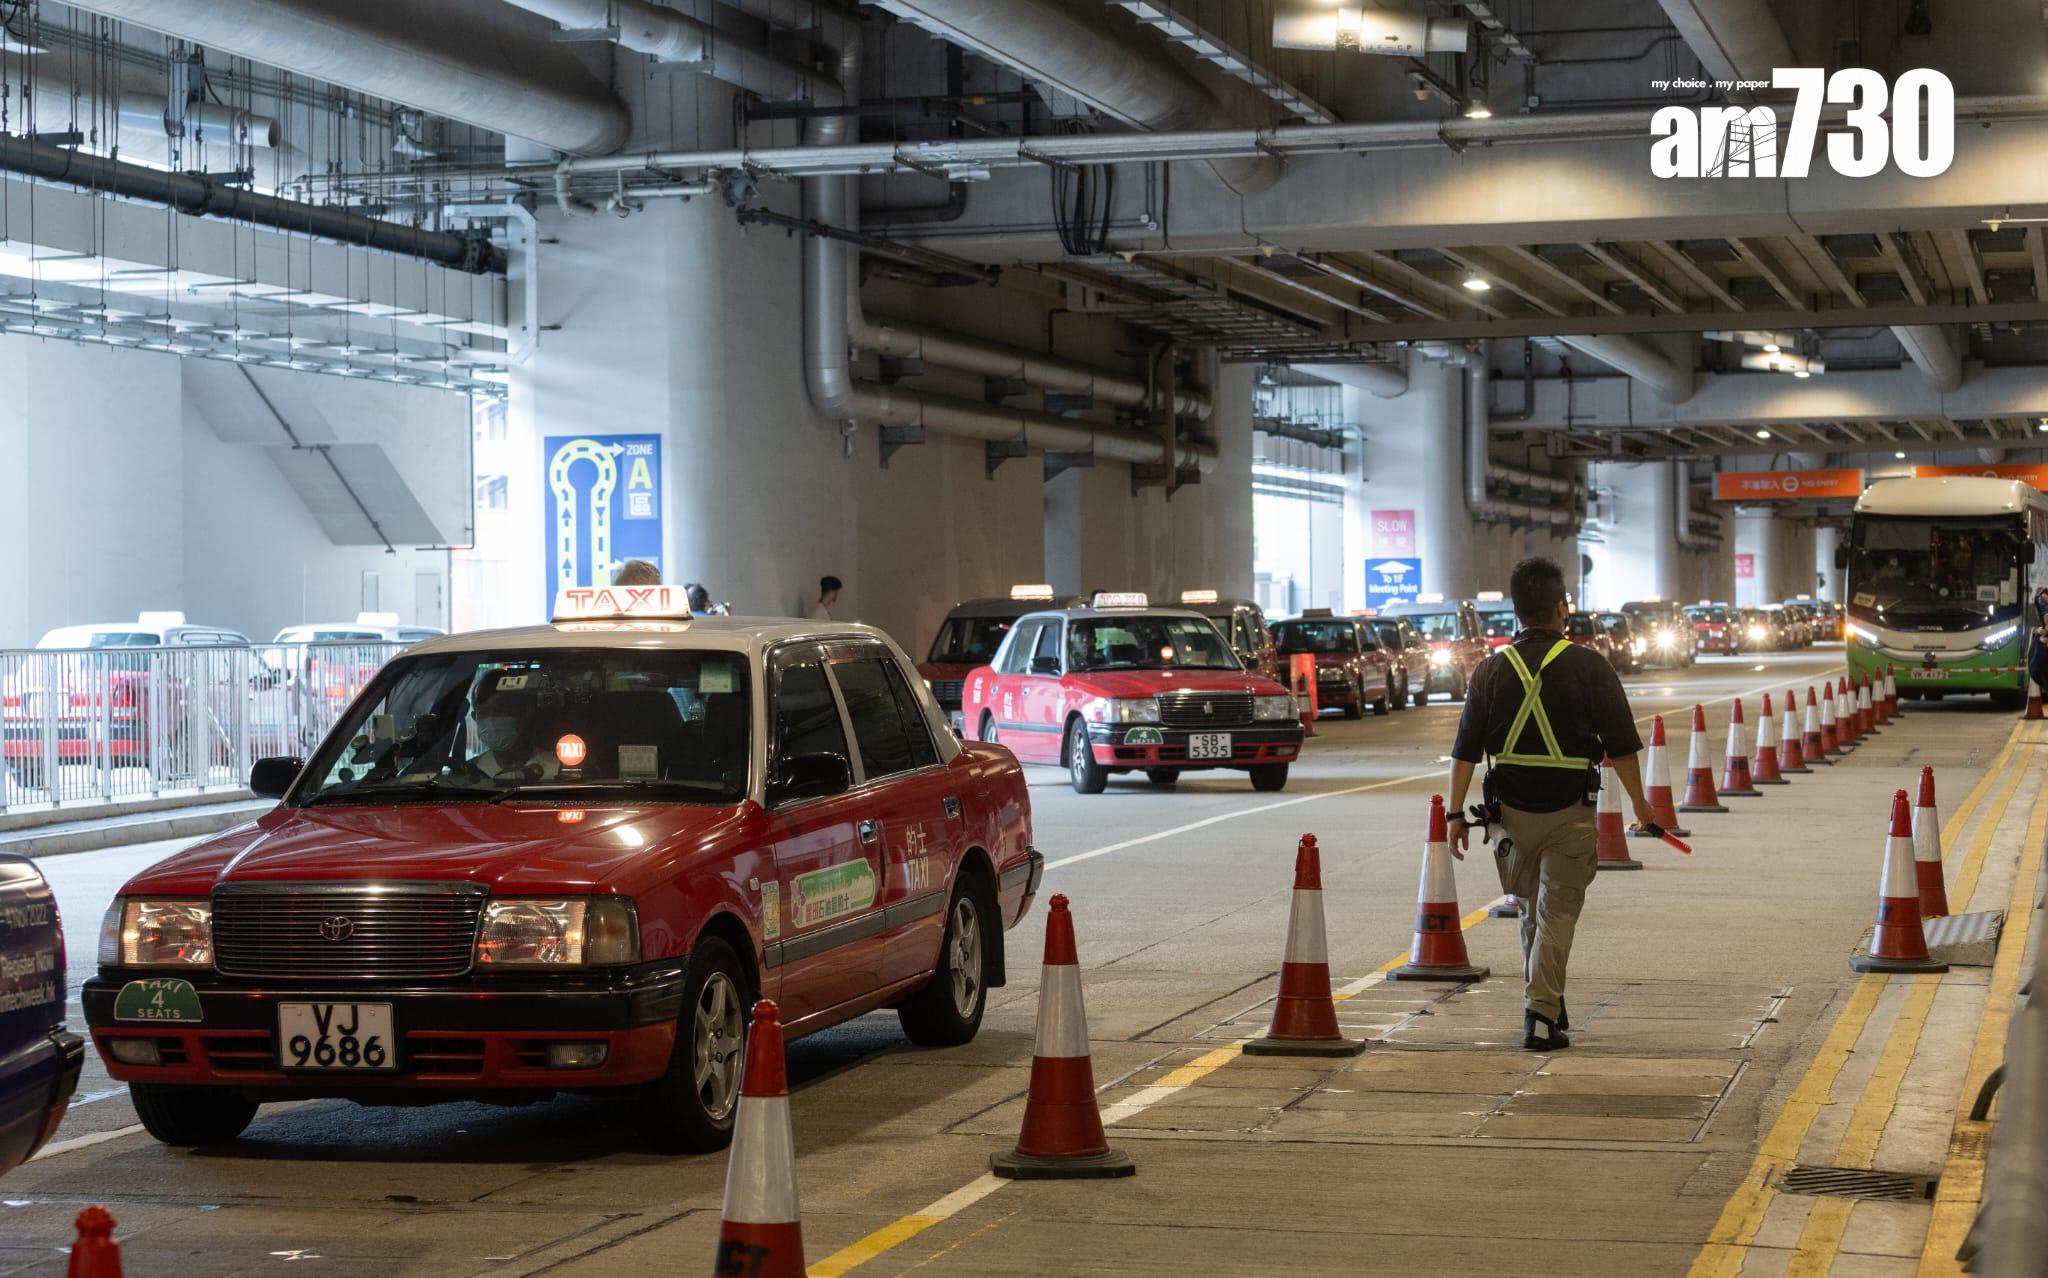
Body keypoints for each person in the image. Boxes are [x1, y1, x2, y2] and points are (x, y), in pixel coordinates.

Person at [1445, 557, 1658, 1051]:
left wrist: (1456, 815)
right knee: (1557, 911)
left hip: (1508, 816)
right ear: (1563, 608)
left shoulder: (1490, 670)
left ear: (1517, 613)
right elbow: (1622, 747)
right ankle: (1540, 1016)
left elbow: (1465, 753)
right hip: (1570, 813)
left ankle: (1546, 999)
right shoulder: (1591, 667)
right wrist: (1641, 807)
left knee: (1530, 911)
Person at [467, 685, 560, 783]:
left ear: (525, 713)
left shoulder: (557, 771)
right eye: (483, 713)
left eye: (501, 712)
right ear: (474, 717)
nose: (491, 722)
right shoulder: (471, 772)